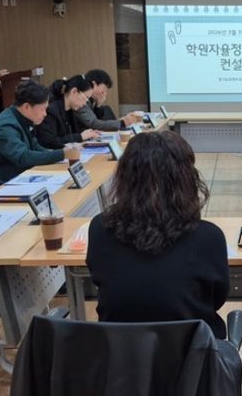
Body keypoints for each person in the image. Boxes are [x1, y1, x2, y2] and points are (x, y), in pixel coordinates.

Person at [86, 130, 229, 339]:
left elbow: (100, 280)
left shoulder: (100, 228)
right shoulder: (209, 237)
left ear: (124, 178)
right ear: (186, 179)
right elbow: (216, 298)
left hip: (118, 354)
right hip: (193, 354)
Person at [0, 81, 70, 183]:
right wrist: (62, 154)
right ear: (26, 106)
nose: (45, 114)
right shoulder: (4, 127)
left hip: (23, 173)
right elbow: (22, 157)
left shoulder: (23, 118)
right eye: (42, 109)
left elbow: (35, 147)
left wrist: (58, 153)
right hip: (6, 181)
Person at [36, 75, 101, 149]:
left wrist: (89, 133)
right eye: (86, 97)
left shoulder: (71, 110)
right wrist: (80, 136)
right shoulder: (51, 110)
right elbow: (50, 141)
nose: (85, 103)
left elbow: (73, 133)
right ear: (74, 92)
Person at [74, 69, 139, 131]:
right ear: (94, 84)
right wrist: (122, 123)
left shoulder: (91, 100)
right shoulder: (81, 100)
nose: (104, 94)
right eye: (104, 89)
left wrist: (98, 106)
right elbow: (94, 124)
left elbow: (97, 121)